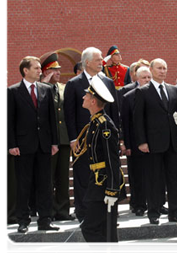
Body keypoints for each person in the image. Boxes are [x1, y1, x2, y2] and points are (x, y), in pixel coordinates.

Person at [64, 47, 119, 222]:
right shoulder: (74, 84)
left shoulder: (108, 82)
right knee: (82, 176)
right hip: (83, 140)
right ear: (87, 62)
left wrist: (118, 137)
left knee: (106, 173)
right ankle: (83, 214)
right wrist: (73, 139)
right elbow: (69, 113)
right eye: (98, 59)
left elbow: (114, 111)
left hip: (104, 139)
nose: (102, 62)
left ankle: (107, 213)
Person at [6, 56, 59, 233]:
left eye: (39, 68)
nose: (40, 71)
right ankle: (23, 220)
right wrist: (11, 144)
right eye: (36, 68)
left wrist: (54, 142)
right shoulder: (13, 92)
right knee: (24, 184)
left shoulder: (46, 89)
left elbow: (53, 119)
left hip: (44, 144)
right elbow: (9, 121)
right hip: (23, 146)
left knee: (45, 183)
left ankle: (45, 219)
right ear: (25, 70)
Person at [133, 58, 177, 224]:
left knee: (173, 177)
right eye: (159, 68)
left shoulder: (173, 90)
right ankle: (154, 212)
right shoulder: (143, 91)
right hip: (153, 142)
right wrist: (142, 141)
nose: (163, 71)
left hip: (172, 141)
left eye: (165, 68)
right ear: (151, 69)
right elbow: (138, 119)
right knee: (154, 179)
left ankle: (175, 212)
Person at [79, 75, 123, 253]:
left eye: (86, 96)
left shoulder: (105, 125)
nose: (83, 98)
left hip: (104, 184)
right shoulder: (95, 122)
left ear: (93, 101)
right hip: (97, 182)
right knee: (105, 230)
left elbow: (113, 159)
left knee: (91, 228)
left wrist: (112, 190)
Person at [40, 53, 74, 221]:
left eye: (59, 70)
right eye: (55, 70)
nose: (59, 73)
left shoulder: (63, 88)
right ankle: (48, 212)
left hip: (63, 138)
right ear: (46, 71)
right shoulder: (40, 88)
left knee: (63, 177)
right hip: (47, 140)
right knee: (48, 178)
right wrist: (43, 84)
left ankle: (62, 211)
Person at [120, 66, 154, 216]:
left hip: (155, 142)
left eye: (149, 78)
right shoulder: (128, 96)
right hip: (134, 143)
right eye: (144, 78)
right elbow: (125, 123)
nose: (147, 80)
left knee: (154, 174)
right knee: (137, 176)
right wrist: (125, 143)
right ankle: (138, 204)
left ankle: (156, 202)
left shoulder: (156, 94)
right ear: (136, 79)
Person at [5, 68, 17, 225]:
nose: (6, 78)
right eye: (3, 76)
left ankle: (11, 214)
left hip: (9, 145)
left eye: (7, 76)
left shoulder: (9, 94)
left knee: (11, 182)